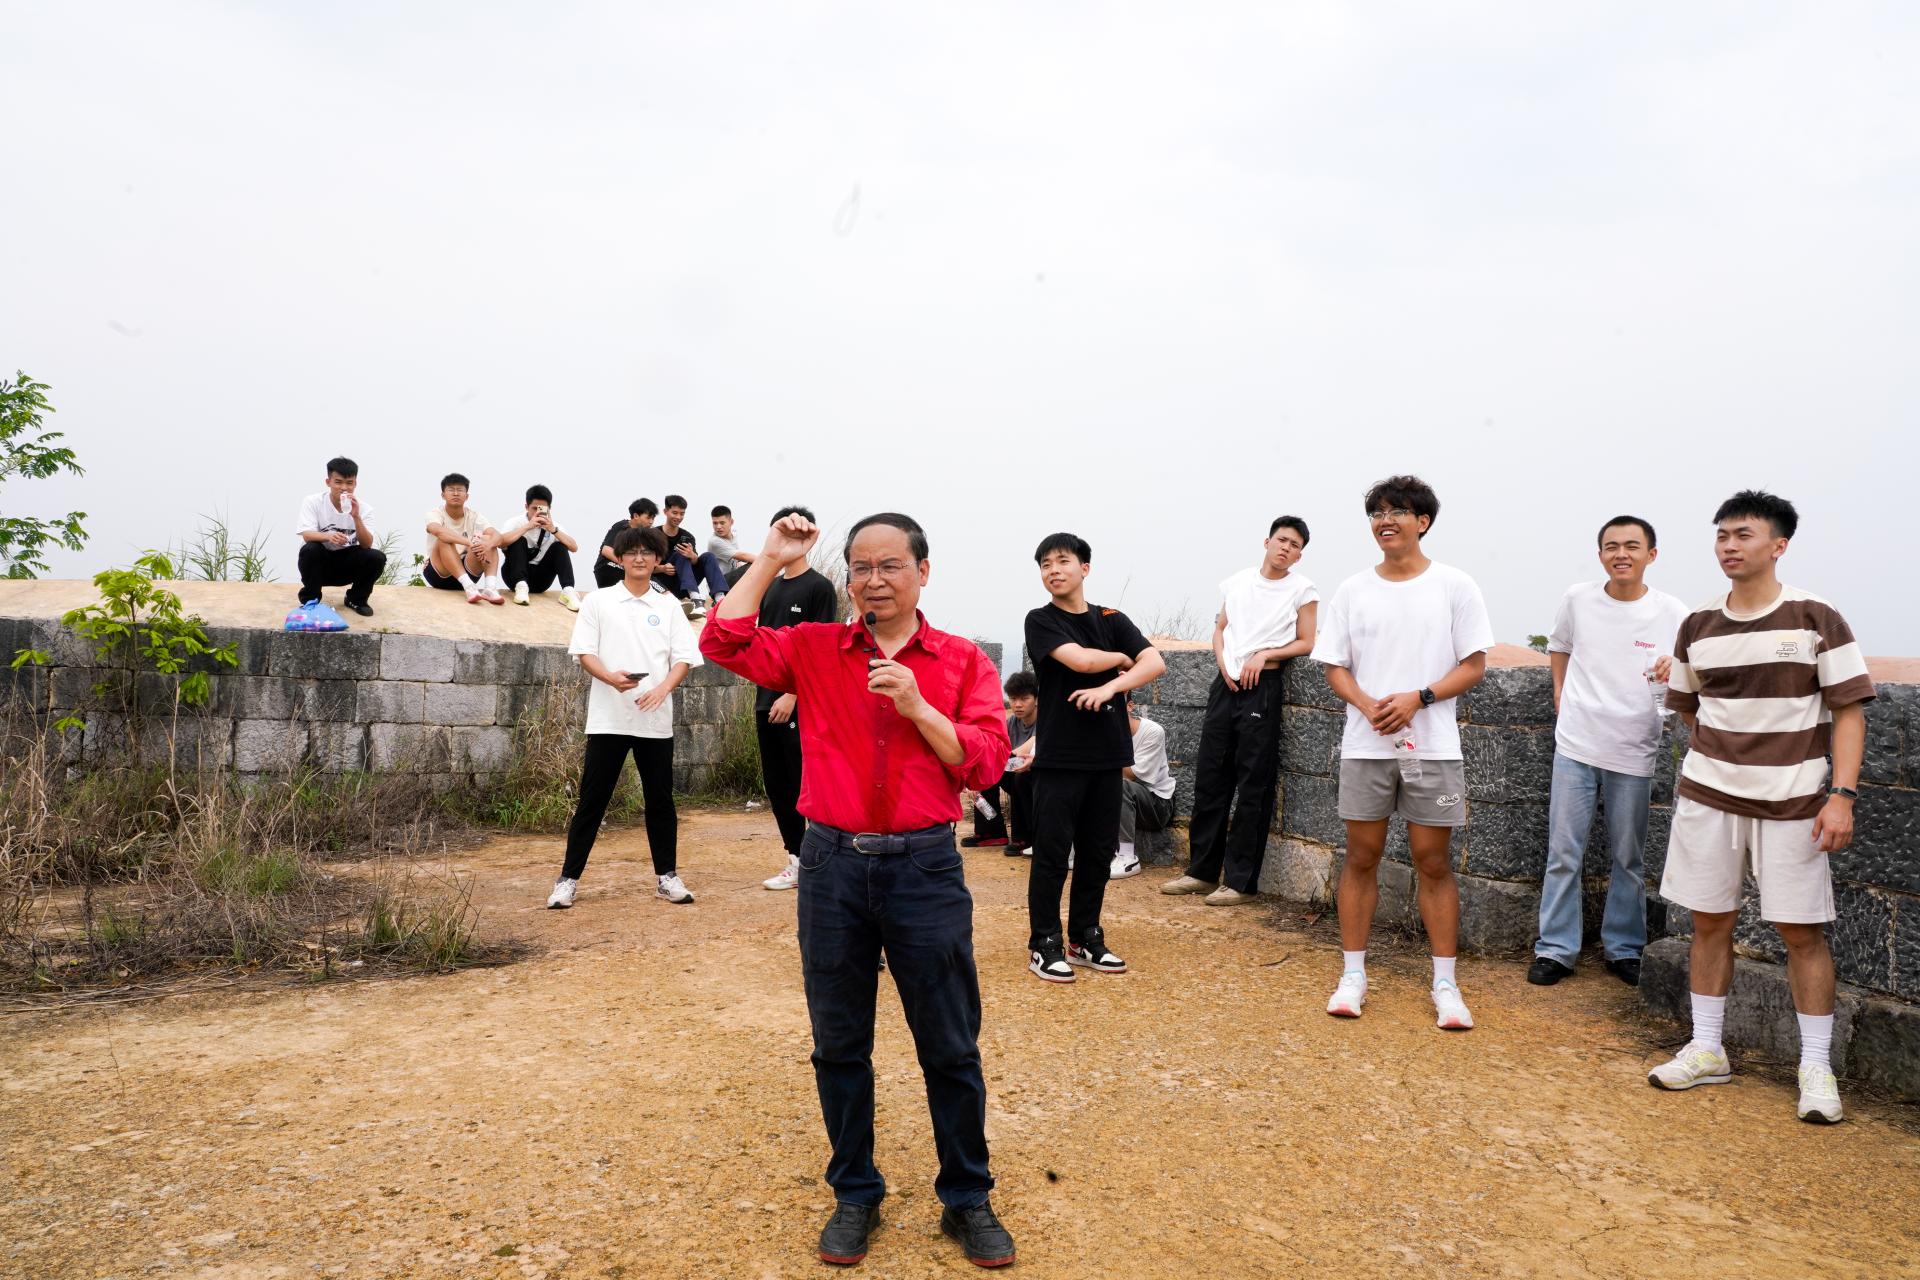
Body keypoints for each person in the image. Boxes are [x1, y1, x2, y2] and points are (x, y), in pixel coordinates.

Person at [700, 510, 1017, 1270]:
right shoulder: (814, 648)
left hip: (925, 868)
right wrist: (771, 557)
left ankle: (967, 1197)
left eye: (890, 566)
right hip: (832, 865)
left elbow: (986, 765)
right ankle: (854, 1192)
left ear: (923, 572)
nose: (874, 581)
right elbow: (723, 641)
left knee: (949, 1042)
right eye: (861, 568)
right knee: (840, 1043)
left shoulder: (962, 660)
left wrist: (918, 706)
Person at [1647, 490, 1871, 1125]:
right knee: (1709, 922)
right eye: (1721, 535)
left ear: (1778, 545)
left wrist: (1841, 796)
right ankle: (1707, 1048)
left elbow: (1849, 712)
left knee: (1801, 931)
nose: (1729, 546)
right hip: (1709, 797)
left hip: (1795, 802)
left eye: (1743, 534)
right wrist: (1719, 762)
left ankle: (1815, 1065)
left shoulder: (1815, 617)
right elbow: (1688, 708)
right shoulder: (1697, 625)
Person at [1310, 475, 1493, 1030]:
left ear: (1423, 521)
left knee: (1432, 861)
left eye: (1397, 512)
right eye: (1377, 513)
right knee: (1360, 856)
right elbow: (1334, 665)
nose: (1384, 521)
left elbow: (1474, 664)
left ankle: (1446, 983)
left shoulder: (1455, 585)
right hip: (1365, 746)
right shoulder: (1352, 589)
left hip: (1433, 747)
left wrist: (1421, 697)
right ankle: (1353, 974)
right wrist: (1367, 704)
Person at [1528, 516, 1688, 988]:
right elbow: (1559, 645)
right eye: (1611, 546)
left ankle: (1624, 948)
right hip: (1576, 743)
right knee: (1563, 853)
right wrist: (1559, 692)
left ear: (1651, 555)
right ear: (1600, 554)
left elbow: (1688, 668)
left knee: (1628, 858)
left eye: (1632, 546)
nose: (1621, 554)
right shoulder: (1578, 599)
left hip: (1634, 748)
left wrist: (1675, 666)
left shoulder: (1672, 611)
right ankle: (1555, 949)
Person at [1024, 532, 1166, 983]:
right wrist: (1122, 657)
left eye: (1062, 561)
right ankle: (1044, 942)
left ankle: (1085, 935)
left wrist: (1111, 687)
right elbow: (1081, 661)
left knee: (1096, 853)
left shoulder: (1111, 617)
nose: (1053, 570)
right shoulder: (1041, 620)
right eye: (1045, 564)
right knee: (1051, 854)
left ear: (1084, 568)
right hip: (1061, 757)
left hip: (1107, 757)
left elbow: (1155, 663)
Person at [1162, 516, 1319, 905]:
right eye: (1282, 540)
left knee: (1253, 784)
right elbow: (1220, 628)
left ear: (1299, 555)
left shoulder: (1303, 590)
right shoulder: (1237, 582)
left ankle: (1240, 881)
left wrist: (1264, 654)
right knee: (1210, 777)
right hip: (1226, 685)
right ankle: (1201, 872)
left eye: (1295, 545)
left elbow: (1306, 641)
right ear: (1267, 542)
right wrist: (1222, 661)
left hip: (1261, 687)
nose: (1286, 548)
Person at [546, 525, 701, 911]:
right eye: (631, 552)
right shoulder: (599, 601)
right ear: (620, 558)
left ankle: (667, 877)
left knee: (660, 800)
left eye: (647, 553)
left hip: (654, 720)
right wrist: (610, 678)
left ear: (658, 559)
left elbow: (684, 658)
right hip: (608, 719)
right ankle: (567, 881)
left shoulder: (668, 605)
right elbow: (584, 652)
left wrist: (663, 689)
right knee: (592, 801)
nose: (639, 558)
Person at [749, 504, 840, 892]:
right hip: (765, 700)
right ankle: (796, 859)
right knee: (778, 786)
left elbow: (824, 649)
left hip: (800, 704)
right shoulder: (770, 587)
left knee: (807, 783)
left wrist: (793, 693)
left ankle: (821, 861)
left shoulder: (819, 587)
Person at [294, 456, 385, 617]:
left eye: (349, 483)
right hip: (320, 564)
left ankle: (356, 599)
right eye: (338, 482)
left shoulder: (365, 509)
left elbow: (367, 544)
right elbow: (306, 534)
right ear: (328, 482)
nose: (344, 488)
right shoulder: (313, 502)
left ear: (355, 484)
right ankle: (311, 599)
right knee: (310, 549)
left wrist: (356, 517)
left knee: (377, 557)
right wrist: (328, 536)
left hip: (347, 565)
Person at [964, 671, 1039, 855]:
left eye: (1024, 699)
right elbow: (992, 750)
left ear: (1036, 699)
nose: (1018, 704)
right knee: (984, 774)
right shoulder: (1011, 723)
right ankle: (991, 832)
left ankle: (1024, 838)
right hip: (1015, 770)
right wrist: (973, 778)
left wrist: (994, 764)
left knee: (1017, 776)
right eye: (1013, 699)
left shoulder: (1046, 722)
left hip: (1039, 778)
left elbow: (1021, 752)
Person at [1113, 701, 1176, 879]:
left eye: (1115, 705)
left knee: (1120, 785)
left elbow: (1130, 775)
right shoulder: (1104, 732)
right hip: (1119, 803)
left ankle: (1127, 857)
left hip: (1157, 804)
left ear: (1130, 706)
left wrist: (1108, 746)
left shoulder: (1152, 731)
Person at [422, 473, 506, 604]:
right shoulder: (435, 514)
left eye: (460, 490)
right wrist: (468, 542)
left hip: (468, 570)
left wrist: (487, 545)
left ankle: (490, 588)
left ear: (466, 496)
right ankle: (469, 587)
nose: (456, 493)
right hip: (439, 573)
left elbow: (497, 536)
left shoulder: (475, 516)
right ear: (443, 495)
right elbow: (438, 531)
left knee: (487, 539)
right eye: (451, 490)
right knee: (444, 539)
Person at [498, 484, 582, 611]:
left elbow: (574, 547)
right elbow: (500, 542)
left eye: (542, 509)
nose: (538, 512)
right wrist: (527, 527)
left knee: (560, 546)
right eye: (534, 508)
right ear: (526, 507)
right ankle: (521, 588)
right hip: (514, 577)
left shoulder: (554, 525)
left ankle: (568, 591)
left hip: (540, 580)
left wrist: (553, 530)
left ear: (549, 509)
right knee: (519, 539)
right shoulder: (515, 522)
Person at [660, 493, 729, 607]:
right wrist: (662, 568)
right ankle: (696, 598)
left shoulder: (688, 536)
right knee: (680, 553)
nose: (678, 517)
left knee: (708, 556)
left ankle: (719, 597)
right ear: (665, 511)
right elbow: (646, 563)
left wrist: (692, 555)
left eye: (682, 514)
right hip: (663, 585)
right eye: (675, 513)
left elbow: (695, 562)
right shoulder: (654, 534)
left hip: (684, 585)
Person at [594, 499, 658, 590]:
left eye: (653, 518)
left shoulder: (645, 535)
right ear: (636, 516)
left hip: (628, 567)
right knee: (647, 580)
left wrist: (662, 568)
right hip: (608, 566)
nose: (651, 522)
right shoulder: (621, 526)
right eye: (648, 518)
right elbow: (606, 550)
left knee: (657, 583)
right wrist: (628, 563)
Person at [708, 504, 757, 592]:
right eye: (715, 523)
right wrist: (768, 562)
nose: (718, 527)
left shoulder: (734, 535)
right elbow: (743, 556)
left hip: (732, 577)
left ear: (731, 522)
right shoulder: (714, 541)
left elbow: (737, 558)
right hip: (720, 584)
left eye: (722, 523)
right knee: (752, 566)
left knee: (753, 566)